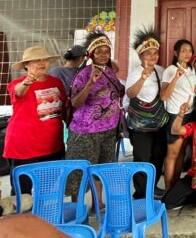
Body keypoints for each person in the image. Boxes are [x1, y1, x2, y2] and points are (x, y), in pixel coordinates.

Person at [67, 32, 123, 204]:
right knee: (80, 172)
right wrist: (91, 83)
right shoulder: (83, 74)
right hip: (85, 132)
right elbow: (75, 102)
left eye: (107, 51)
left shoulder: (110, 71)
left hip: (108, 131)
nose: (104, 54)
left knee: (101, 169)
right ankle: (77, 209)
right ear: (91, 54)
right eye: (99, 51)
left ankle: (98, 204)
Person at [4, 46, 65, 195]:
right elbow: (18, 92)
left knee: (48, 189)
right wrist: (28, 81)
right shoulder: (17, 84)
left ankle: (41, 217)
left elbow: (64, 108)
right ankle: (22, 218)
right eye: (36, 60)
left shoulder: (56, 82)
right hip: (25, 146)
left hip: (53, 146)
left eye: (44, 59)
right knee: (22, 193)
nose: (42, 63)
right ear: (26, 65)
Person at [125, 27, 168, 199]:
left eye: (155, 53)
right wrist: (142, 78)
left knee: (158, 156)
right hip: (140, 124)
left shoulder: (161, 70)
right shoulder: (135, 73)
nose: (153, 56)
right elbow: (130, 94)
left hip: (158, 122)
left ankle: (153, 186)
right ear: (141, 55)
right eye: (148, 53)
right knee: (142, 157)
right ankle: (141, 193)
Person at [161, 39, 196, 190]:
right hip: (175, 116)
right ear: (175, 53)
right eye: (183, 50)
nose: (187, 54)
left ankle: (175, 185)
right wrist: (176, 77)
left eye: (190, 50)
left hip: (188, 115)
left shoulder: (190, 69)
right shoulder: (170, 70)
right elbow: (164, 96)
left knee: (182, 153)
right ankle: (168, 190)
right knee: (172, 155)